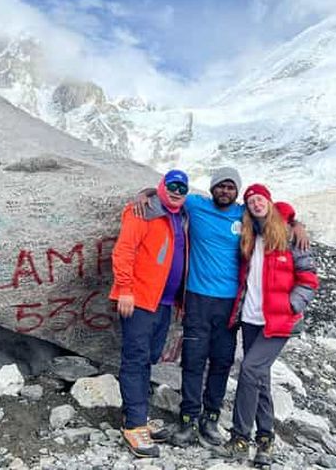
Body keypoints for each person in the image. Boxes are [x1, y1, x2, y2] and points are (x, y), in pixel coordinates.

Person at [134, 167, 309, 447]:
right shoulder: (197, 205)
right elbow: (171, 195)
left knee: (221, 362)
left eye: (231, 187)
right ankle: (188, 418)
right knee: (192, 361)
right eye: (221, 186)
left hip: (230, 305)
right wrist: (147, 193)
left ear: (236, 192)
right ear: (212, 188)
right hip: (197, 299)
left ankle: (211, 419)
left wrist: (297, 224)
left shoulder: (244, 214)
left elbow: (278, 211)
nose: (225, 191)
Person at [220, 183, 319, 468]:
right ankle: (265, 440)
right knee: (259, 377)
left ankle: (239, 438)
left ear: (269, 201)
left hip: (278, 321)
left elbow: (309, 279)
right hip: (251, 319)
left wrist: (291, 306)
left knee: (249, 370)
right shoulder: (250, 236)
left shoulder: (288, 235)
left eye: (260, 199)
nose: (256, 204)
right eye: (251, 202)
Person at [110, 169, 190, 458]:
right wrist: (125, 288)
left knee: (150, 357)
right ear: (162, 186)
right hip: (140, 299)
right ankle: (134, 425)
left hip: (165, 303)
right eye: (172, 185)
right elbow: (124, 251)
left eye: (182, 187)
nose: (177, 191)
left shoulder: (180, 215)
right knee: (136, 358)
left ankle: (136, 415)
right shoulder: (143, 211)